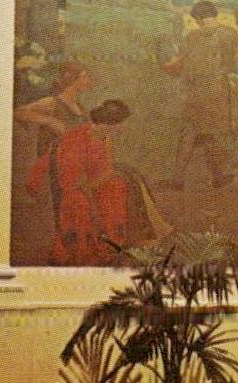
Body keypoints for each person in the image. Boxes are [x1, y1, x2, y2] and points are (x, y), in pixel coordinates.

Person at [25, 99, 166, 265]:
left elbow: (102, 169)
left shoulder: (103, 138)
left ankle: (137, 238)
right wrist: (106, 178)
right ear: (112, 123)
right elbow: (73, 181)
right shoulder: (75, 141)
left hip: (94, 187)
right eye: (123, 123)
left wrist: (112, 175)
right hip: (75, 194)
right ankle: (107, 246)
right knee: (118, 187)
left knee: (128, 182)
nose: (125, 127)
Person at [161, 0, 238, 189]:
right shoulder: (229, 33)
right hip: (217, 89)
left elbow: (178, 65)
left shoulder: (191, 37)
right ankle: (213, 177)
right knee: (210, 133)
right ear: (215, 15)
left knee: (194, 131)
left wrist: (163, 65)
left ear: (197, 18)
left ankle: (186, 178)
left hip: (195, 90)